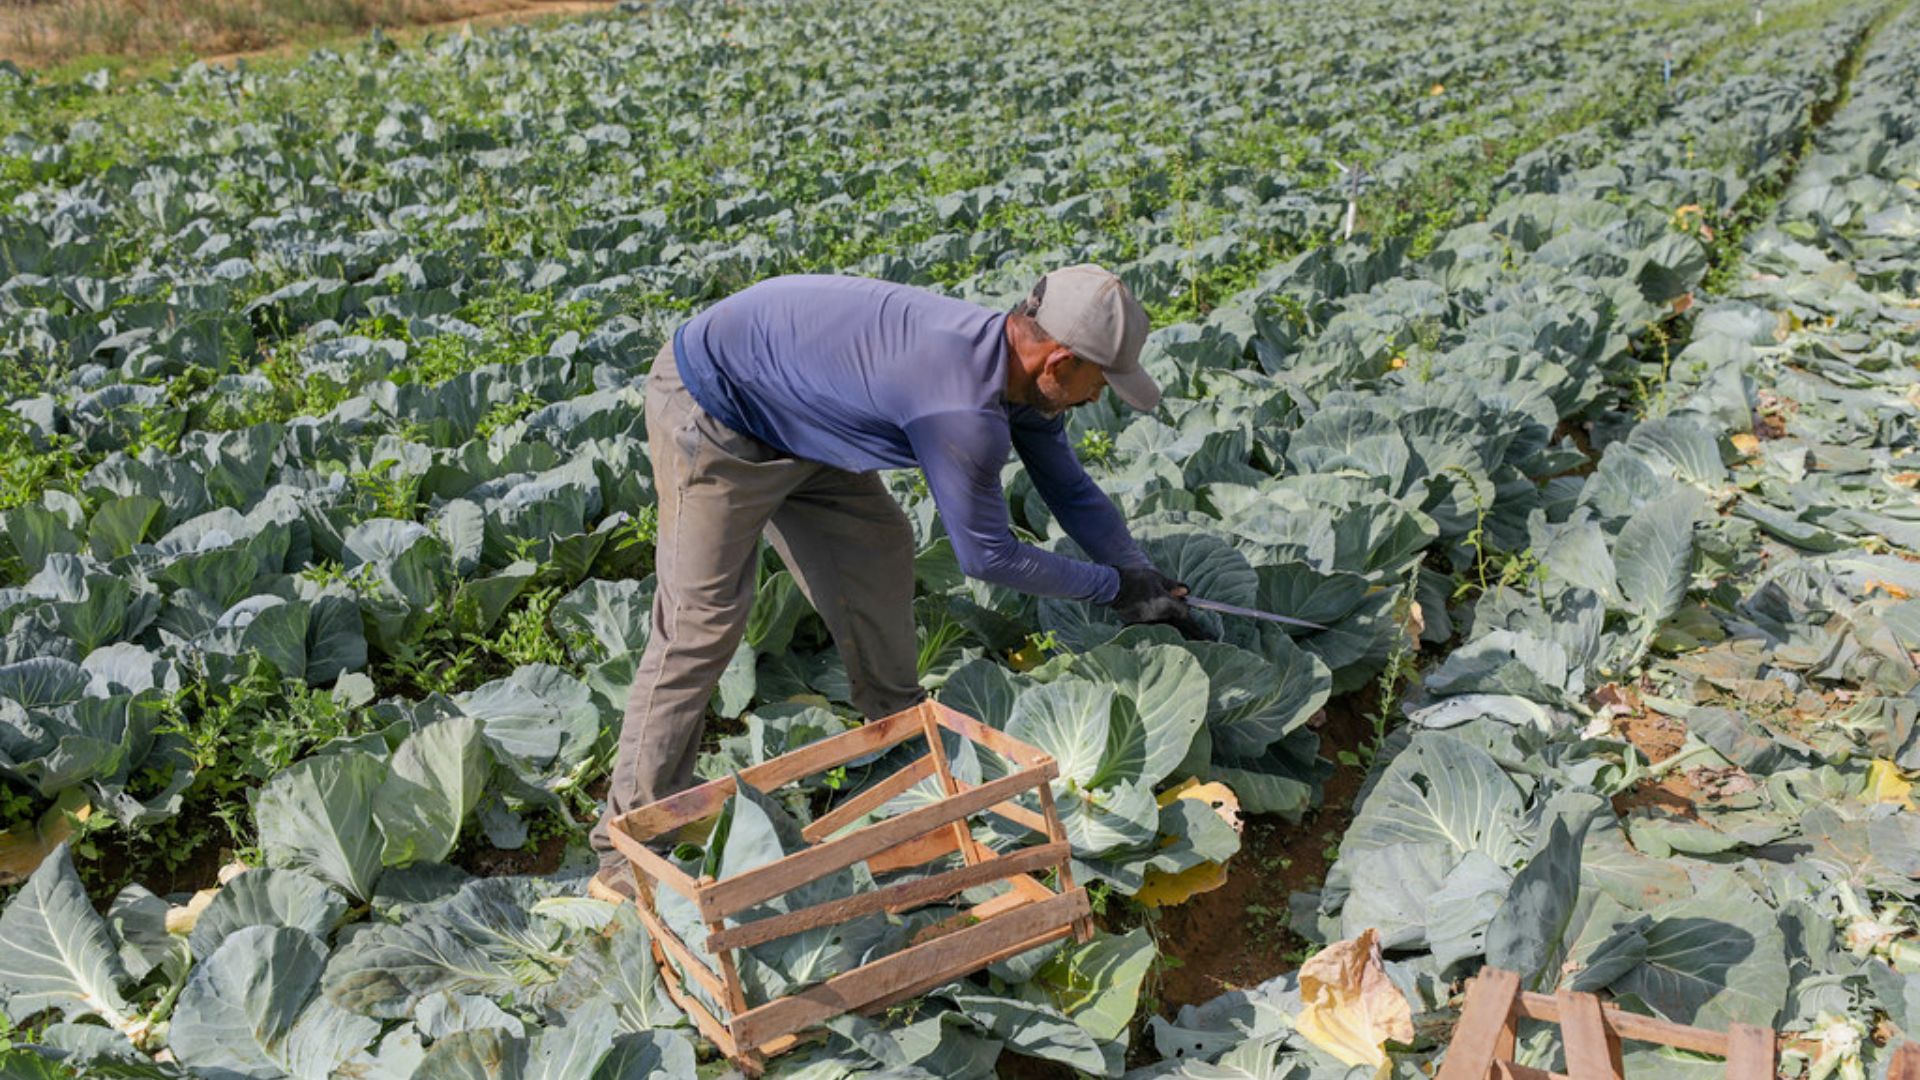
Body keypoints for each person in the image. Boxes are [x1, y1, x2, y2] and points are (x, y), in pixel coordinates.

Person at [587, 264, 1203, 901]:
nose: (1097, 397)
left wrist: (1135, 569)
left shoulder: (1016, 371)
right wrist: (1111, 590)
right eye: (1099, 382)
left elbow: (1068, 487)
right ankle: (625, 850)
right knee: (701, 626)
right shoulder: (961, 406)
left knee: (877, 543)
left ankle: (900, 730)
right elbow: (989, 557)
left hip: (801, 412)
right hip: (716, 408)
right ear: (1059, 360)